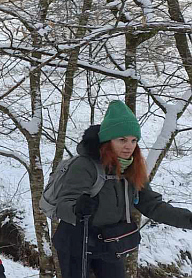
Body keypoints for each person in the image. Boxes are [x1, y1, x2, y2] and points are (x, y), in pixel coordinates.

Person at [52, 100, 192, 278]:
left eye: (134, 140)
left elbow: (153, 206)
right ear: (108, 140)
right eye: (122, 140)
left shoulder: (131, 169)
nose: (129, 146)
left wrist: (189, 220)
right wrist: (77, 208)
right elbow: (62, 205)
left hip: (111, 241)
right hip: (77, 242)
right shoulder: (85, 165)